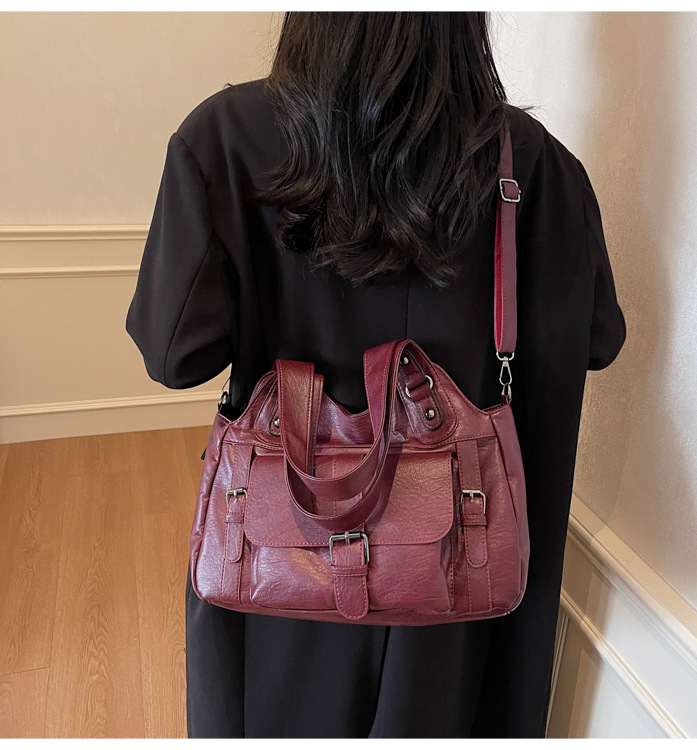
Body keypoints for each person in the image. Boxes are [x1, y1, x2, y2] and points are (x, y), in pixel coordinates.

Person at [126, 11, 626, 739]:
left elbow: (173, 356)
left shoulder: (225, 138)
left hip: (279, 567)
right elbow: (598, 340)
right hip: (462, 587)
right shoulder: (534, 166)